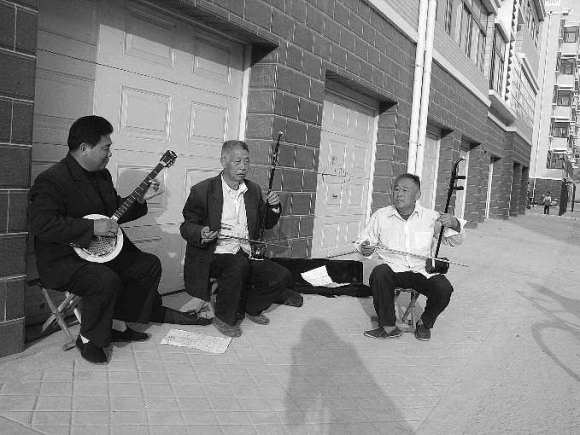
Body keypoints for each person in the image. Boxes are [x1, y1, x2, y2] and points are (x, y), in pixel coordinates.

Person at [28, 115, 211, 365]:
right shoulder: (52, 180)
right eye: (106, 148)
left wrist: (140, 199)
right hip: (63, 258)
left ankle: (116, 323)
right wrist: (91, 227)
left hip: (100, 251)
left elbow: (113, 213)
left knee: (148, 266)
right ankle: (89, 339)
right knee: (104, 279)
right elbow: (41, 224)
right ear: (84, 148)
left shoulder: (101, 176)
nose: (110, 154)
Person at [180, 140, 303, 338]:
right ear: (224, 161)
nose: (243, 167)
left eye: (247, 161)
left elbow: (266, 223)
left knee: (281, 275)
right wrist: (200, 232)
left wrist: (273, 206)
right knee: (237, 264)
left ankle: (252, 307)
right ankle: (223, 317)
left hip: (245, 253)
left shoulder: (252, 190)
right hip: (215, 255)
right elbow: (187, 226)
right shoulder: (202, 190)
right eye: (237, 161)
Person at [354, 173, 466, 341]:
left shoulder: (430, 217)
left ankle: (424, 323)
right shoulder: (381, 216)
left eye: (405, 190)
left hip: (421, 270)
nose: (399, 194)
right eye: (396, 189)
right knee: (378, 274)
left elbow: (454, 241)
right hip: (393, 268)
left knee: (444, 289)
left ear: (417, 195)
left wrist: (455, 224)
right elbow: (363, 241)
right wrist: (365, 248)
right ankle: (389, 327)